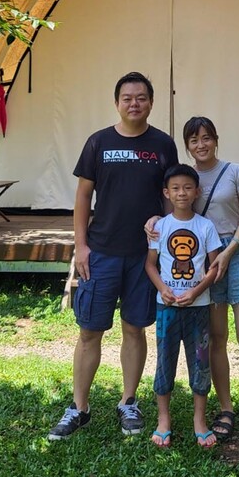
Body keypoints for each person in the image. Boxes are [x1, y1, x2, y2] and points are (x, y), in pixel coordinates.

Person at [48, 72, 178, 441]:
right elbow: (82, 197)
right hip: (101, 251)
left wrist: (166, 229)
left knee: (134, 328)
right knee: (90, 331)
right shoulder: (98, 142)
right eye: (127, 97)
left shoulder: (163, 144)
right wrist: (82, 244)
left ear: (151, 102)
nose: (134, 103)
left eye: (140, 97)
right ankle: (79, 407)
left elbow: (171, 195)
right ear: (117, 102)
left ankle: (128, 401)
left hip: (143, 256)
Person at [145, 116, 239, 460]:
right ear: (187, 144)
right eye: (193, 139)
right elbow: (169, 218)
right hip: (199, 261)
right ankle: (226, 409)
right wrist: (151, 221)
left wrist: (231, 250)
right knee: (215, 339)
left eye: (206, 138)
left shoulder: (235, 171)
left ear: (215, 140)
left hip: (235, 254)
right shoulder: (182, 178)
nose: (200, 144)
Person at [146, 163, 222, 449]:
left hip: (198, 308)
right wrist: (163, 289)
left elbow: (214, 266)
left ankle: (199, 421)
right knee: (165, 361)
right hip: (166, 309)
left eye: (187, 187)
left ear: (197, 191)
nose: (181, 193)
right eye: (175, 188)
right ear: (166, 193)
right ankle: (163, 419)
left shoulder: (205, 226)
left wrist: (197, 290)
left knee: (200, 363)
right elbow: (150, 265)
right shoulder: (159, 227)